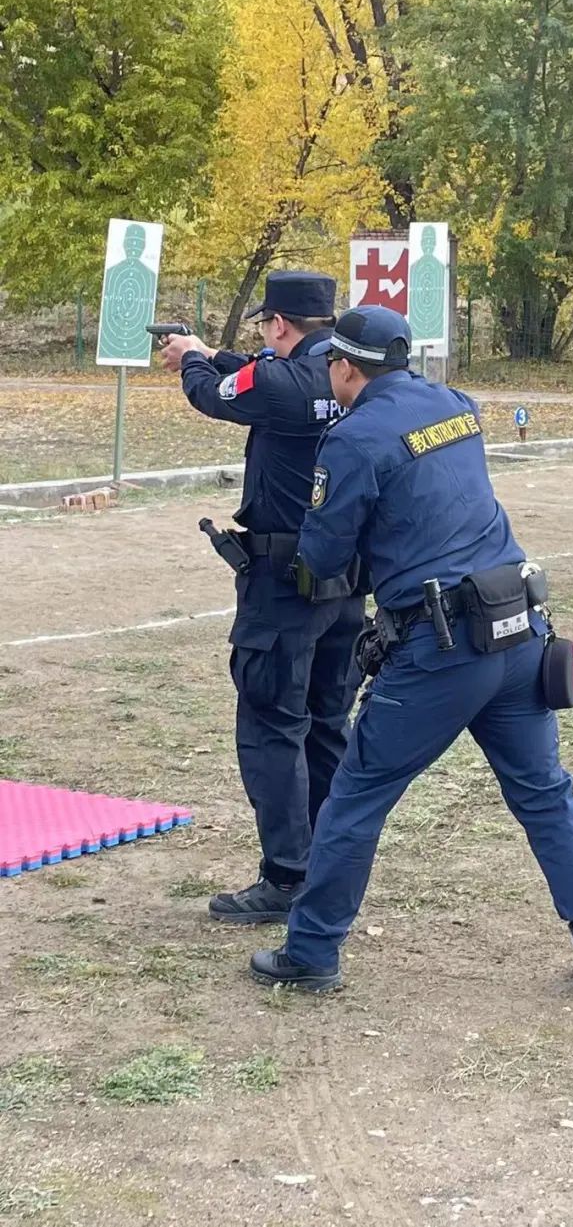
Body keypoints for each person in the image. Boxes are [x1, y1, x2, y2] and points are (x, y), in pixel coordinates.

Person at [248, 306, 573, 998]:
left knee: (355, 797)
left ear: (344, 365)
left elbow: (325, 553)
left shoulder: (354, 437)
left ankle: (311, 950)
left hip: (441, 645)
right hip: (515, 626)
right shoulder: (458, 404)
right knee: (546, 796)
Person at [159, 271, 367, 923]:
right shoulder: (351, 375)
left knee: (271, 724)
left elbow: (216, 393)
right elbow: (258, 373)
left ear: (278, 323)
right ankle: (326, 865)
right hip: (346, 579)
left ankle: (285, 876)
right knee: (325, 723)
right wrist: (215, 353)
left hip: (282, 583)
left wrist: (190, 359)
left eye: (266, 326)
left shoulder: (279, 382)